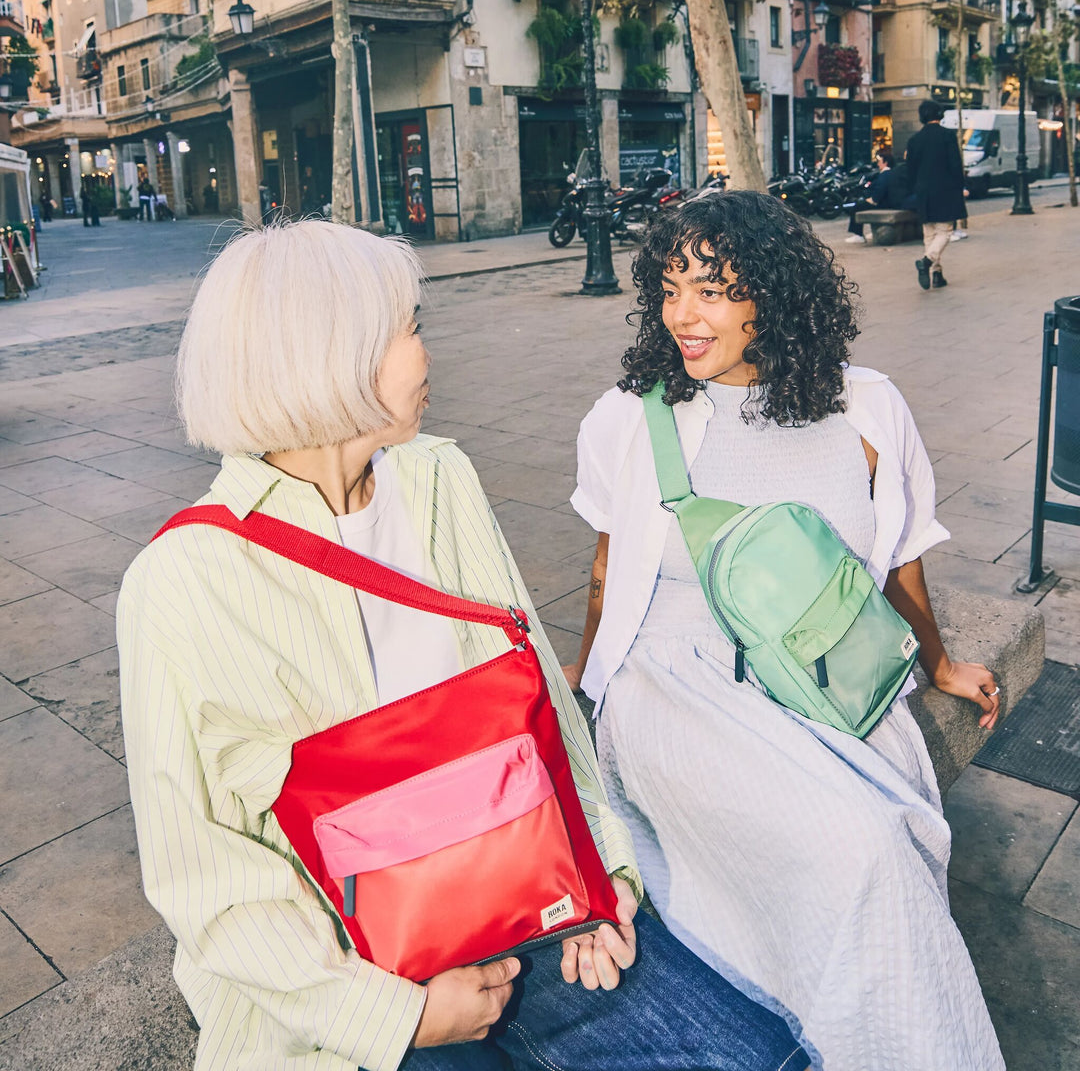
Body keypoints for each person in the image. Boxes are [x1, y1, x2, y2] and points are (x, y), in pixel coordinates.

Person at [117, 220, 808, 1071]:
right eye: (411, 327)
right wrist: (394, 1016)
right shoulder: (184, 578)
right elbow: (206, 878)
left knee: (761, 1059)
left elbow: (539, 709)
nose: (427, 352)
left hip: (522, 894)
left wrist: (603, 884)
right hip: (345, 979)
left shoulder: (440, 475)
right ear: (338, 353)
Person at [563, 192, 1005, 1071]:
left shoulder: (867, 407)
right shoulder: (630, 417)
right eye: (671, 287)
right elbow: (609, 574)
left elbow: (898, 559)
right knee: (865, 848)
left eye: (716, 291)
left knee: (879, 836)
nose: (684, 315)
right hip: (677, 681)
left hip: (824, 668)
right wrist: (580, 693)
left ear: (774, 295)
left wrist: (941, 664)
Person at [906, 100, 967, 289]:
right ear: (939, 114)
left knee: (929, 234)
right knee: (944, 231)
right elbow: (955, 165)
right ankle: (927, 261)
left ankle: (937, 274)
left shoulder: (914, 140)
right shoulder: (947, 136)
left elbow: (911, 170)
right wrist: (961, 186)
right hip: (945, 189)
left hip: (923, 191)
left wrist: (914, 189)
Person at [844, 147, 906, 243]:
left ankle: (858, 234)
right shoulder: (891, 173)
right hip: (887, 201)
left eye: (880, 161)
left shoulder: (885, 174)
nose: (878, 164)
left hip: (882, 202)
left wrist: (873, 199)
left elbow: (880, 190)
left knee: (856, 207)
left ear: (885, 162)